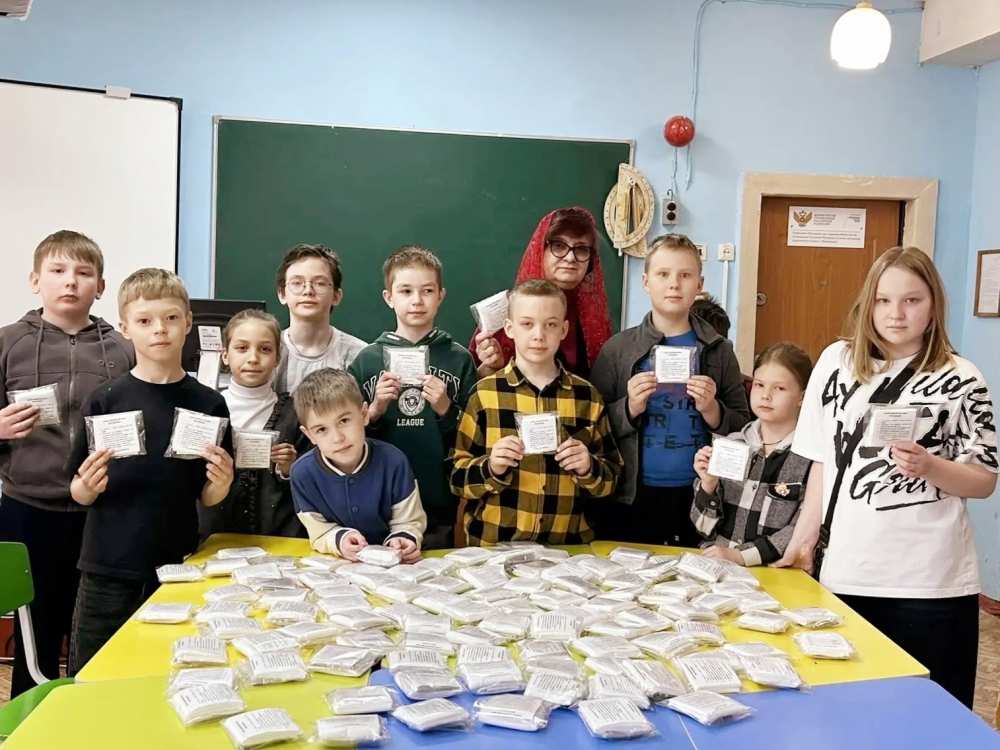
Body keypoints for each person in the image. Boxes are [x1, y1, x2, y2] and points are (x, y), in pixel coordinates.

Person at [779, 246, 997, 708]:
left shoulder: (963, 378)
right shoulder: (835, 363)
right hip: (847, 572)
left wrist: (931, 466)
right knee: (844, 712)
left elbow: (984, 481)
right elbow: (822, 462)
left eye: (911, 300)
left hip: (931, 582)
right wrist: (802, 541)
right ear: (868, 304)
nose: (896, 313)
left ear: (933, 305)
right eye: (883, 300)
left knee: (929, 715)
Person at [67, 268, 234, 673]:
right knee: (92, 675)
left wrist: (223, 483)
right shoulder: (105, 400)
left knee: (165, 673)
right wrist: (87, 486)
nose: (159, 329)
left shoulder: (209, 403)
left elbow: (207, 494)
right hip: (107, 569)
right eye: (144, 320)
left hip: (177, 566)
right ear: (125, 328)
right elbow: (76, 489)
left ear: (188, 322)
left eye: (171, 318)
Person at [0, 231, 133, 697]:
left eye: (83, 272)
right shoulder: (7, 343)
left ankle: (90, 716)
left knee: (96, 627)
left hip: (103, 512)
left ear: (101, 286)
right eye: (57, 271)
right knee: (34, 629)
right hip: (28, 509)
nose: (70, 282)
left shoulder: (123, 348)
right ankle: (28, 720)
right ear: (35, 280)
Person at [589, 234, 751, 546]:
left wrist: (713, 410)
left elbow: (744, 427)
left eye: (685, 275)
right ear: (646, 282)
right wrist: (629, 407)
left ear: (699, 284)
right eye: (663, 274)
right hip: (630, 496)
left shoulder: (719, 351)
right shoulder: (617, 350)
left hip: (700, 494)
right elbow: (592, 427)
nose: (674, 284)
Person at [451, 279, 622, 545]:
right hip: (494, 549)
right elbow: (456, 478)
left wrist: (589, 466)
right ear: (509, 328)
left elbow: (612, 479)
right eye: (527, 324)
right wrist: (491, 467)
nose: (539, 335)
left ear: (564, 329)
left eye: (550, 325)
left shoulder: (587, 397)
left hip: (567, 550)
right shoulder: (484, 395)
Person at [349, 246, 477, 549]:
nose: (417, 300)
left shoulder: (459, 359)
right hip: (376, 496)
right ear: (389, 297)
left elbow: (476, 436)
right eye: (406, 291)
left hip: (439, 497)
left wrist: (446, 410)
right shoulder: (366, 361)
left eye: (427, 291)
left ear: (441, 296)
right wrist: (375, 410)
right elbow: (346, 435)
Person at [691, 342, 813, 565]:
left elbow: (801, 530)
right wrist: (708, 485)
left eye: (779, 388)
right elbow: (702, 527)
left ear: (802, 397)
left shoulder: (809, 457)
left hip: (773, 572)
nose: (766, 395)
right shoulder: (731, 444)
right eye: (759, 385)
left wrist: (742, 556)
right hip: (715, 566)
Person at [290, 368, 426, 562]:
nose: (337, 438)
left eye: (344, 420)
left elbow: (409, 521)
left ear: (364, 414)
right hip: (336, 567)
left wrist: (404, 539)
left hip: (395, 566)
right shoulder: (302, 474)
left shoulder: (394, 461)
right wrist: (339, 540)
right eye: (321, 429)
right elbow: (318, 531)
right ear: (309, 435)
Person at [199, 309, 309, 538]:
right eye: (242, 348)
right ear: (225, 355)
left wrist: (290, 468)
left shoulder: (296, 413)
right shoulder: (205, 411)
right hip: (216, 538)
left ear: (277, 358)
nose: (253, 358)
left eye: (265, 349)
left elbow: (314, 483)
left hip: (278, 538)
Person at [471, 207, 612, 379]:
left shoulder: (594, 318)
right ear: (539, 250)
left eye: (581, 249)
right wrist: (492, 366)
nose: (570, 258)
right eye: (558, 246)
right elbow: (472, 385)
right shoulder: (502, 309)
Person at [273, 243, 366, 393]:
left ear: (336, 296)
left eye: (320, 283)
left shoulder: (359, 356)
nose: (308, 291)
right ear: (282, 294)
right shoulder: (267, 350)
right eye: (297, 283)